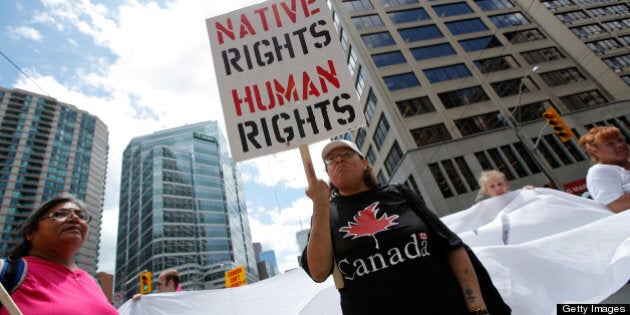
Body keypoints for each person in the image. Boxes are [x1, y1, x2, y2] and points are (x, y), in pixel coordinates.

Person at [301, 140, 509, 314]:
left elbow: (451, 245)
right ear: (327, 172)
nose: (338, 160)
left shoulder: (398, 193)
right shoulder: (325, 213)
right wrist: (320, 204)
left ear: (364, 163)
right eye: (330, 160)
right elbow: (318, 272)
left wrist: (477, 307)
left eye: (346, 154)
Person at [1, 193, 118, 315]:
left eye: (81, 216)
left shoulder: (93, 283)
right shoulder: (7, 272)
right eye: (60, 214)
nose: (75, 219)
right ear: (30, 233)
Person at [578, 125, 630, 213]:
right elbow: (617, 205)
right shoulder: (599, 172)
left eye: (620, 140)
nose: (620, 145)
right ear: (594, 150)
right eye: (610, 144)